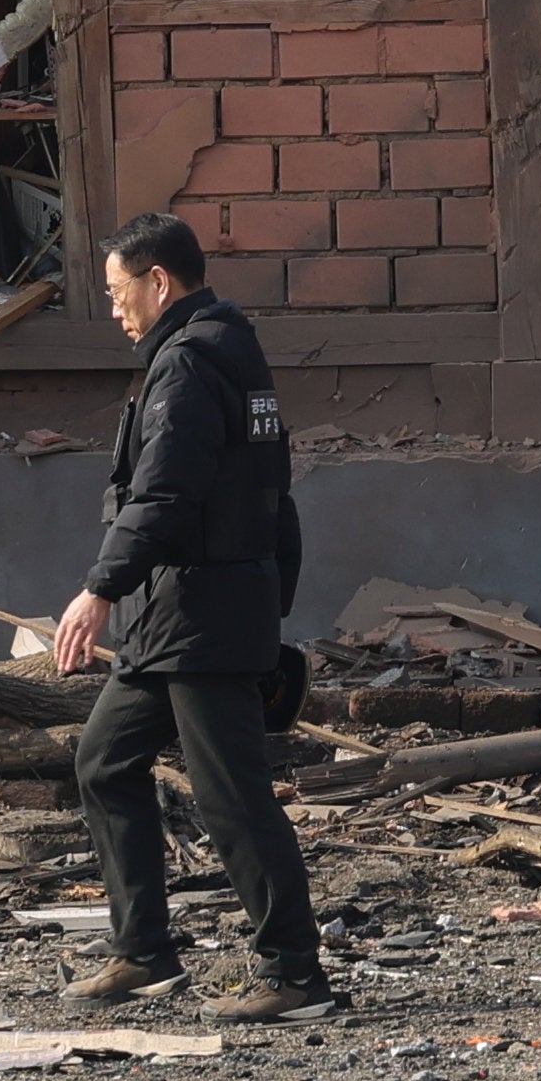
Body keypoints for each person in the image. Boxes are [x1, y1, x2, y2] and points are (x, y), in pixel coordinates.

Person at [59, 213, 331, 1020]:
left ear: (159, 283)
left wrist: (100, 587)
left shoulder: (187, 365)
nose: (114, 310)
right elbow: (273, 496)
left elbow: (167, 495)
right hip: (191, 609)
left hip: (202, 609)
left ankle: (296, 973)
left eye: (117, 293)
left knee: (232, 797)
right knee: (104, 761)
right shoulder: (230, 351)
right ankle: (142, 952)